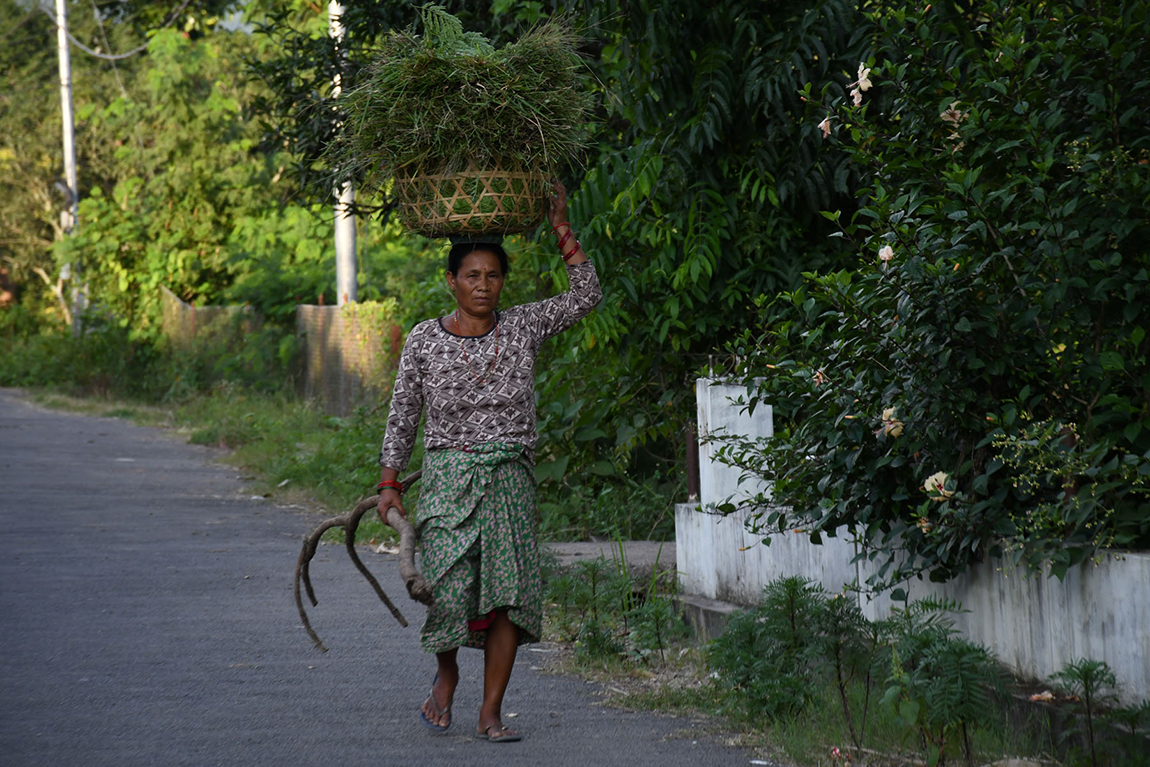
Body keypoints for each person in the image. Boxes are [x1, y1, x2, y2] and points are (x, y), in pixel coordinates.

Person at [375, 180, 601, 743]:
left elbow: (585, 297)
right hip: (451, 477)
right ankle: (446, 673)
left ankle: (491, 712)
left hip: (510, 478)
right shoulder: (425, 340)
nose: (483, 285)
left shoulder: (522, 326)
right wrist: (389, 482)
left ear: (504, 281)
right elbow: (404, 412)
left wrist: (561, 228)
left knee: (507, 597)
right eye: (471, 276)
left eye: (492, 275)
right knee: (448, 590)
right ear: (451, 281)